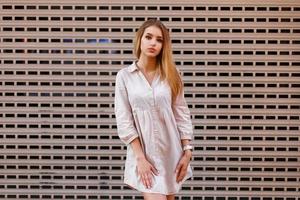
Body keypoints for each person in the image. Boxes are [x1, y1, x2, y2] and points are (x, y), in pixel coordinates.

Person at [114, 18, 193, 200]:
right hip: (145, 157)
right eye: (148, 37)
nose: (153, 43)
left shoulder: (172, 74)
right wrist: (140, 157)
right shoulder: (124, 77)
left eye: (159, 40)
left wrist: (187, 151)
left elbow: (181, 113)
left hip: (172, 155)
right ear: (140, 39)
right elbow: (124, 120)